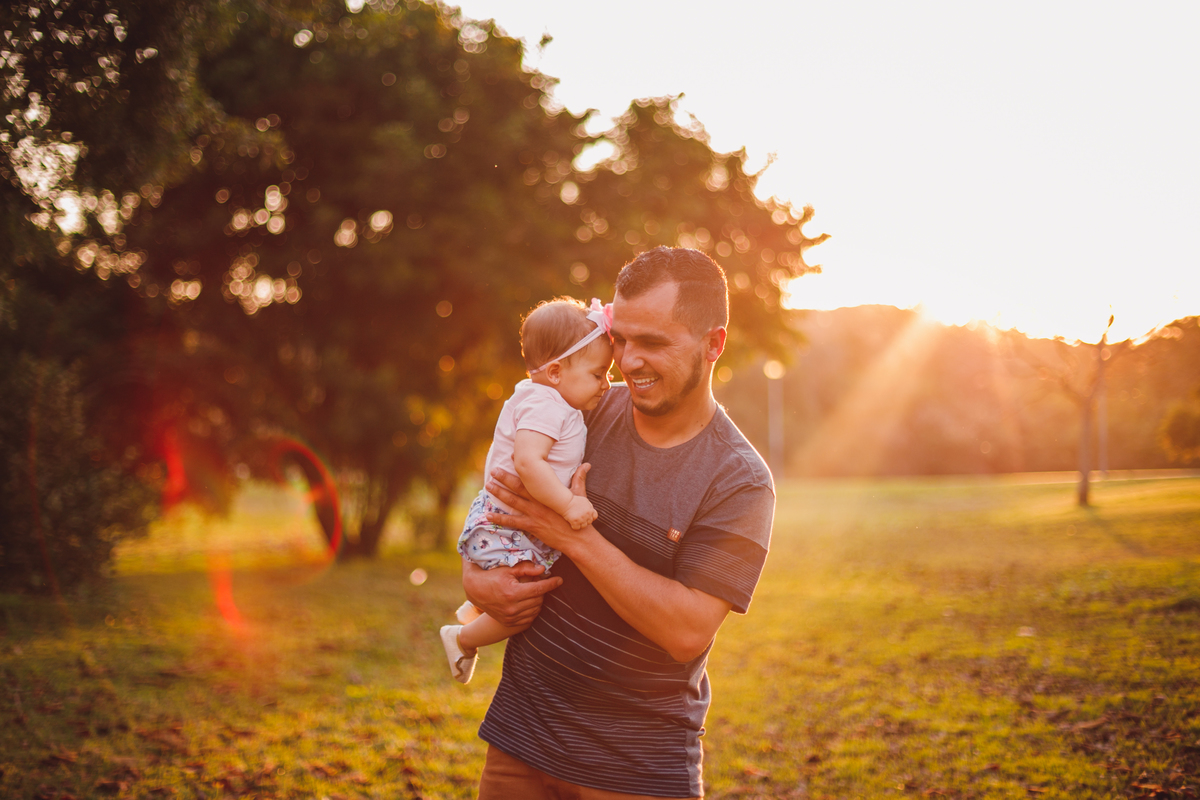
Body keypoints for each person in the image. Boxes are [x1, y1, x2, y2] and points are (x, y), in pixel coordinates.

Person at [463, 247, 775, 799]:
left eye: (653, 343)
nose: (628, 361)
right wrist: (477, 582)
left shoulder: (738, 480)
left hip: (632, 767)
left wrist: (574, 538)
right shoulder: (579, 411)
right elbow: (499, 509)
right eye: (622, 339)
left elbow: (686, 632)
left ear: (713, 344)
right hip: (519, 742)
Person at [440, 297, 614, 684]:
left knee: (518, 584)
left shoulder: (546, 399)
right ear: (555, 372)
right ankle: (463, 638)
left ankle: (473, 612)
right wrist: (569, 503)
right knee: (526, 604)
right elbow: (528, 463)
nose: (606, 384)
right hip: (505, 525)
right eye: (599, 373)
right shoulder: (547, 406)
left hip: (508, 522)